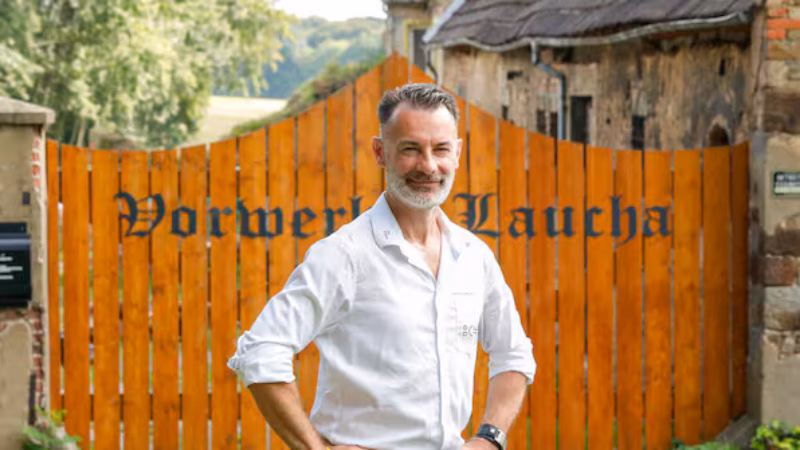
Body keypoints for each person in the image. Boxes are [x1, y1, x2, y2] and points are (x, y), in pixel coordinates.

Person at [227, 83, 535, 450]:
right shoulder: (344, 255)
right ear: (380, 152)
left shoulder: (473, 256)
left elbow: (513, 354)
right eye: (410, 149)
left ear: (457, 154)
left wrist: (490, 438)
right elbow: (261, 351)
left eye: (440, 149)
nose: (428, 165)